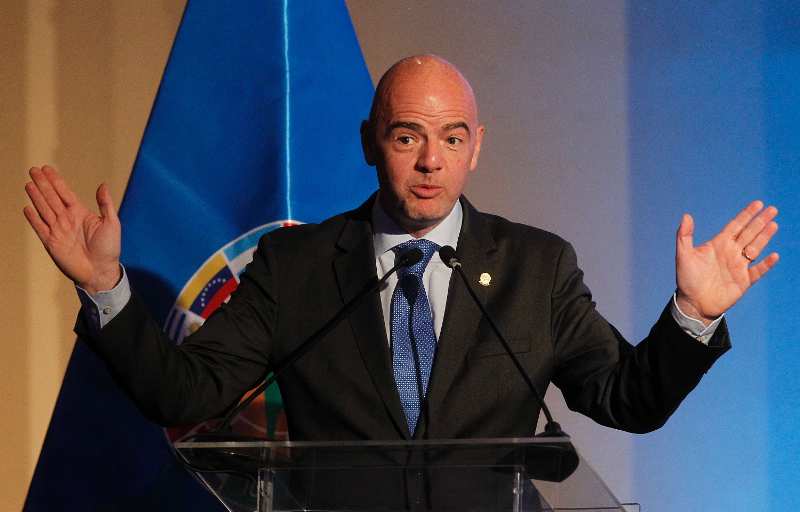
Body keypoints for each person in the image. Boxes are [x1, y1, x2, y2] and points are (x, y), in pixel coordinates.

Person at [24, 54, 778, 441]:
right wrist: (108, 288)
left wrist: (690, 316)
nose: (430, 163)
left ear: (475, 148)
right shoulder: (295, 269)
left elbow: (626, 400)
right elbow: (183, 394)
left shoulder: (535, 269)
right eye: (407, 136)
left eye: (451, 139)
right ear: (369, 144)